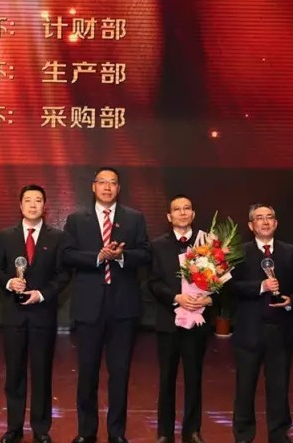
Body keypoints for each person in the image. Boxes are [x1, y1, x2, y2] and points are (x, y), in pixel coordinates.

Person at [63, 167, 151, 443]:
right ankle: (86, 431)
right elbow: (67, 255)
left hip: (123, 307)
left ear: (118, 188)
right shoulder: (77, 219)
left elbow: (145, 254)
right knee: (87, 372)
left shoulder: (134, 218)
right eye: (102, 182)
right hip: (89, 306)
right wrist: (98, 257)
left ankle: (116, 432)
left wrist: (122, 256)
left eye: (113, 183)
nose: (107, 187)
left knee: (120, 373)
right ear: (93, 187)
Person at [0, 184, 71, 443]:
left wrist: (42, 294)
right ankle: (13, 428)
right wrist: (9, 282)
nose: (33, 205)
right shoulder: (6, 235)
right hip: (13, 315)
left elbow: (63, 275)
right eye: (28, 200)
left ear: (45, 206)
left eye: (38, 200)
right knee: (14, 373)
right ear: (20, 205)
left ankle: (41, 428)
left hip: (42, 314)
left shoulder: (57, 237)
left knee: (42, 373)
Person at [230, 203, 293, 443]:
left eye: (269, 217)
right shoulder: (238, 252)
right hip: (249, 330)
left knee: (279, 386)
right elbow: (230, 286)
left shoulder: (291, 252)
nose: (265, 222)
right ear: (250, 225)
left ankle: (279, 434)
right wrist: (260, 286)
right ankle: (243, 435)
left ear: (276, 223)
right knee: (245, 387)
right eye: (259, 218)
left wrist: (292, 299)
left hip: (280, 330)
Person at [148, 195, 212, 443]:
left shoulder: (208, 244)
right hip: (169, 321)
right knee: (166, 378)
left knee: (194, 377)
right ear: (169, 216)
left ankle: (192, 431)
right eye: (177, 209)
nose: (182, 213)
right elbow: (153, 282)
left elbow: (221, 281)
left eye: (187, 208)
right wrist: (176, 297)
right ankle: (165, 432)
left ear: (193, 214)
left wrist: (208, 300)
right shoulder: (157, 245)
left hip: (198, 321)